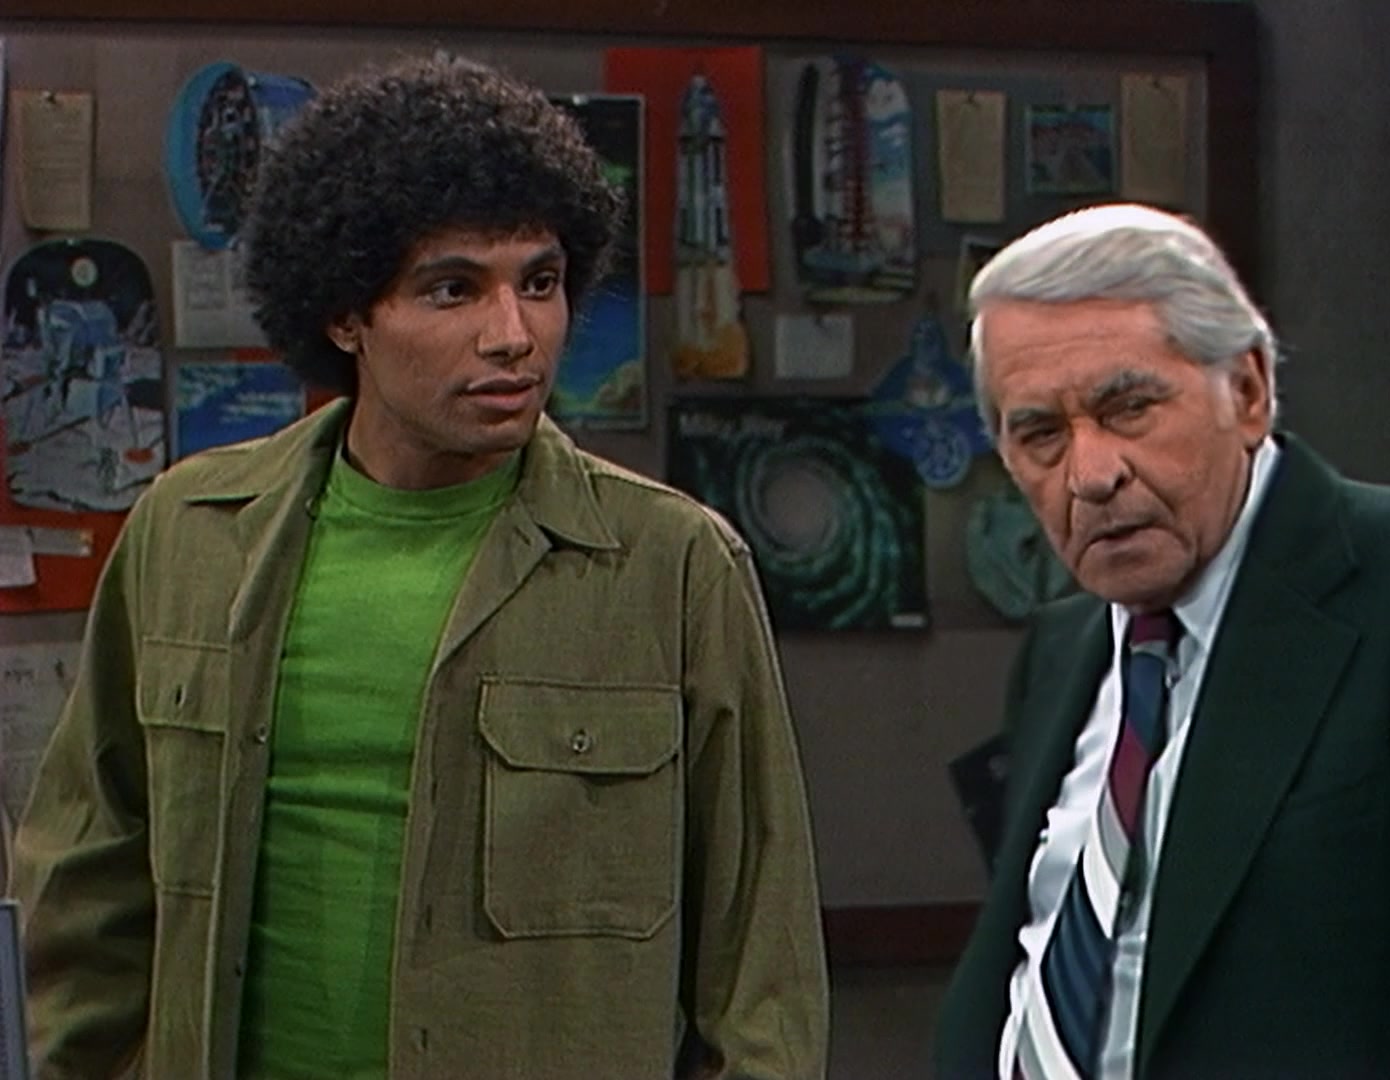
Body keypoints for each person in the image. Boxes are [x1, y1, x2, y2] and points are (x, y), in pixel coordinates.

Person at [14, 54, 829, 1080]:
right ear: (346, 314)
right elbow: (87, 883)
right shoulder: (191, 534)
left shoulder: (672, 567)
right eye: (453, 289)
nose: (514, 336)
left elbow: (761, 971)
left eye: (540, 283)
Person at [935, 203, 1390, 1078]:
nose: (1092, 476)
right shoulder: (1064, 646)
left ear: (1247, 392)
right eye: (1042, 434)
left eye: (1128, 407)